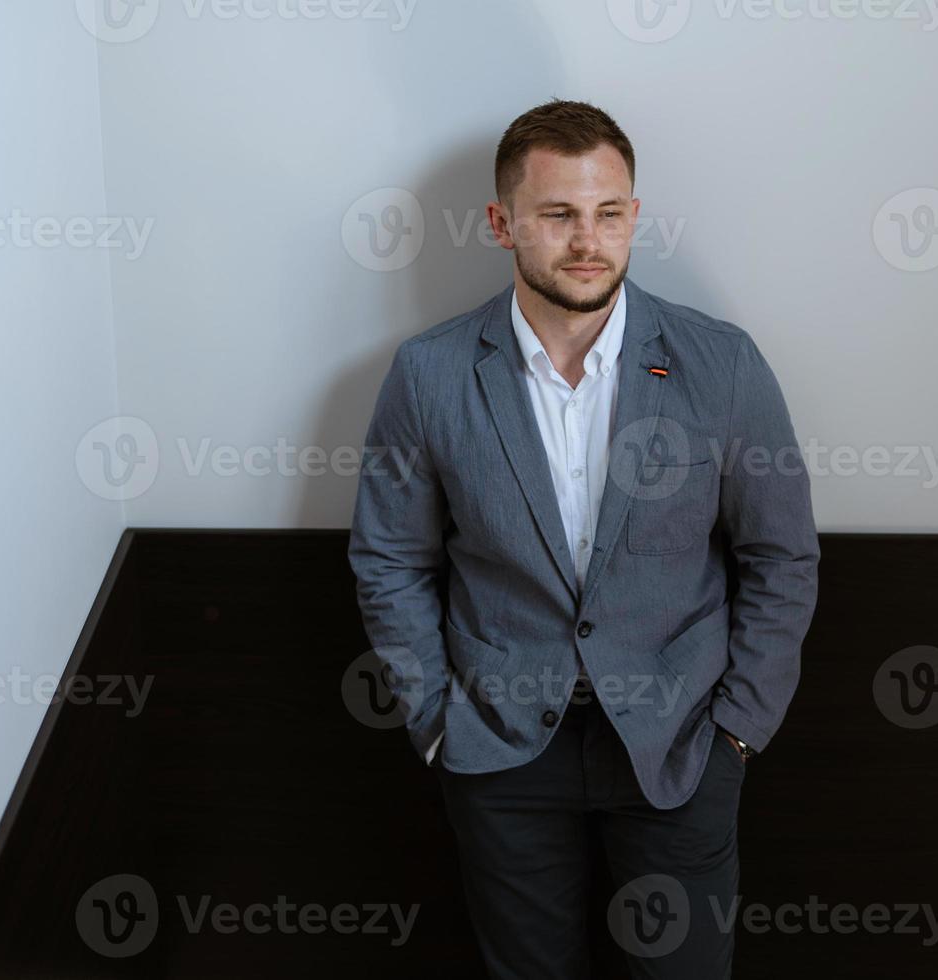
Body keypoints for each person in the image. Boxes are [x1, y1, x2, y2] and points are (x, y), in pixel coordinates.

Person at [347, 98, 820, 979]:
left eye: (609, 214)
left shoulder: (724, 366)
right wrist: (437, 723)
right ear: (503, 223)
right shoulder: (430, 375)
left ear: (634, 215)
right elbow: (389, 558)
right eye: (558, 215)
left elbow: (781, 555)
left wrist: (740, 731)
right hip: (497, 749)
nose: (587, 240)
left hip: (682, 745)